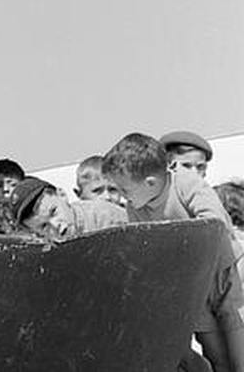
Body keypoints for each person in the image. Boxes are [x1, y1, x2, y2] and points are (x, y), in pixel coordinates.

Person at [103, 132, 244, 372]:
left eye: (125, 190)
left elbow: (215, 222)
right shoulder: (136, 207)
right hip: (190, 286)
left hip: (222, 274)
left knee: (236, 336)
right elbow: (146, 246)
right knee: (213, 348)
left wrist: (175, 244)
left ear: (149, 183)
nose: (122, 196)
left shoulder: (186, 183)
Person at [6, 176, 126, 242]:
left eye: (53, 212)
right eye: (43, 226)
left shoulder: (106, 217)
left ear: (62, 195)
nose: (55, 225)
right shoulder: (44, 247)